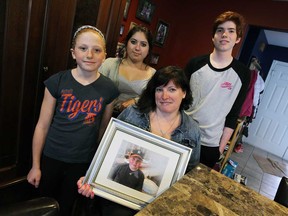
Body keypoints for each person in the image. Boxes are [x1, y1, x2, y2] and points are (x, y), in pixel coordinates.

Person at [77, 66, 201, 216]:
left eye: (172, 90)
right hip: (114, 197)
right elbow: (108, 149)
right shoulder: (133, 113)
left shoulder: (192, 130)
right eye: (159, 89)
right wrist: (92, 177)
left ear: (184, 93)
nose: (164, 96)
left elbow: (191, 173)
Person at [26, 25, 119, 216]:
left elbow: (103, 131)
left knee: (67, 207)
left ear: (104, 56)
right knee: (43, 205)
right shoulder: (57, 81)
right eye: (83, 48)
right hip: (51, 157)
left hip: (82, 161)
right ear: (73, 53)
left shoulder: (109, 89)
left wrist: (96, 168)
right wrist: (35, 165)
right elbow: (42, 126)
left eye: (97, 50)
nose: (89, 54)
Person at [185, 11, 251, 168]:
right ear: (213, 36)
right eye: (220, 30)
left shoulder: (242, 73)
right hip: (183, 134)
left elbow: (233, 114)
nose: (224, 35)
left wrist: (220, 149)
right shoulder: (195, 64)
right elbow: (179, 100)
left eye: (231, 31)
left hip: (210, 145)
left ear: (238, 39)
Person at [99, 24, 156, 116]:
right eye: (133, 42)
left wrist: (136, 101)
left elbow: (155, 101)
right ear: (126, 43)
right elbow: (94, 89)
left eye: (143, 44)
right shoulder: (109, 64)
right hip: (101, 115)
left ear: (149, 49)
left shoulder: (153, 75)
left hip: (132, 122)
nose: (137, 48)